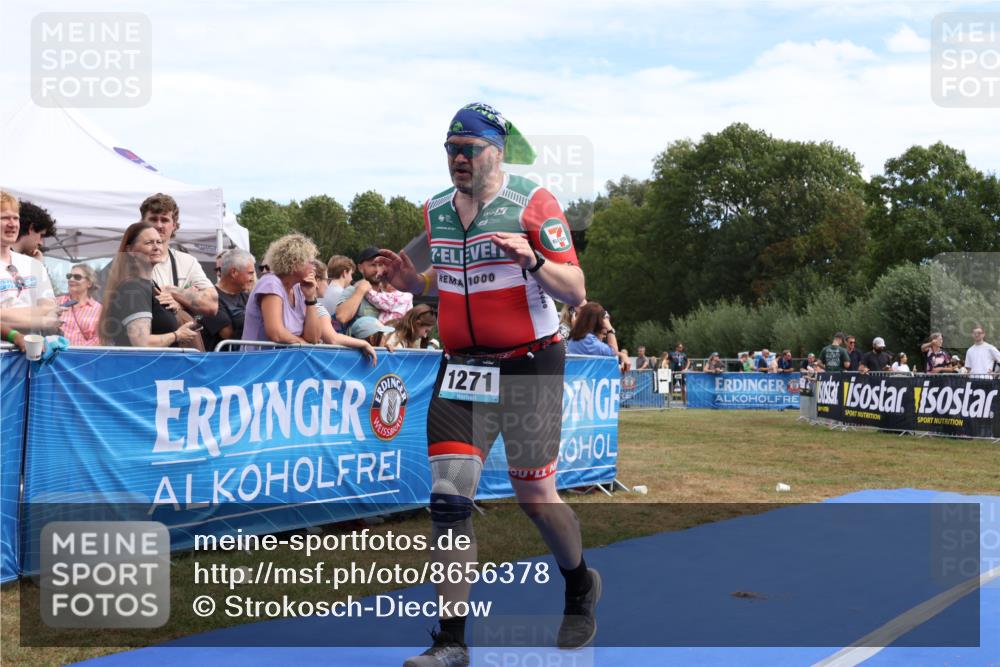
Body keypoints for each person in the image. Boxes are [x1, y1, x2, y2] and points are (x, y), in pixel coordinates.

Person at [378, 102, 595, 667]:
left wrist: (532, 261)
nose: (458, 159)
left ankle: (578, 583)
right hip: (464, 369)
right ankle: (451, 642)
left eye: (468, 149)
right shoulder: (435, 212)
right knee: (449, 501)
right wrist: (412, 281)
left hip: (530, 365)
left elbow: (574, 289)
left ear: (496, 150)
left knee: (536, 498)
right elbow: (431, 276)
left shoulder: (534, 203)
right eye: (450, 149)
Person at [98, 222, 200, 347]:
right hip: (143, 365)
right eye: (149, 243)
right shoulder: (133, 288)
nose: (157, 247)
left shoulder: (150, 285)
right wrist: (177, 335)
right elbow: (142, 342)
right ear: (131, 250)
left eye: (159, 242)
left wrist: (177, 305)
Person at [141, 193, 219, 318]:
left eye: (165, 220)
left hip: (179, 336)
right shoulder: (127, 260)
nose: (159, 225)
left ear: (174, 225)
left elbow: (212, 304)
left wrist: (173, 291)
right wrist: (185, 297)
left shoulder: (187, 262)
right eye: (153, 219)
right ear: (142, 223)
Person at [241, 234, 322, 346]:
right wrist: (304, 346)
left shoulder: (299, 288)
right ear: (295, 263)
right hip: (260, 360)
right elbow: (276, 333)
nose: (314, 267)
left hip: (284, 359)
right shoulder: (270, 283)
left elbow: (314, 338)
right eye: (311, 262)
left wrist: (310, 298)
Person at [0, 192, 60, 333]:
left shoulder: (33, 265)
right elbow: (46, 317)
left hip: (33, 352)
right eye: (4, 218)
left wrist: (6, 314)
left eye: (16, 218)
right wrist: (39, 319)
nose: (12, 224)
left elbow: (50, 310)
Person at [199, 248, 255, 352]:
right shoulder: (210, 298)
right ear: (234, 272)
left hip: (243, 360)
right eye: (250, 273)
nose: (253, 278)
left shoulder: (248, 297)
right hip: (221, 362)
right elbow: (228, 334)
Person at [335, 246, 392, 330]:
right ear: (360, 268)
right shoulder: (353, 290)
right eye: (373, 265)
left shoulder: (390, 294)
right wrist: (360, 291)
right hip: (358, 342)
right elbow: (341, 317)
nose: (377, 270)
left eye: (380, 265)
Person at [567, 302, 629, 369]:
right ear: (597, 322)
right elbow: (613, 351)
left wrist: (622, 355)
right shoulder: (588, 340)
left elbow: (603, 351)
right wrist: (610, 329)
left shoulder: (574, 337)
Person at [59, 264, 102, 346]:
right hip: (57, 356)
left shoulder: (99, 309)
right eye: (69, 276)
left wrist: (78, 353)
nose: (71, 279)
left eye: (77, 277)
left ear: (89, 283)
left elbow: (99, 339)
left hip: (83, 356)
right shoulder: (57, 302)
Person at [321, 255, 355, 330]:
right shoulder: (345, 295)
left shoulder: (320, 292)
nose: (351, 278)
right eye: (351, 274)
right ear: (345, 273)